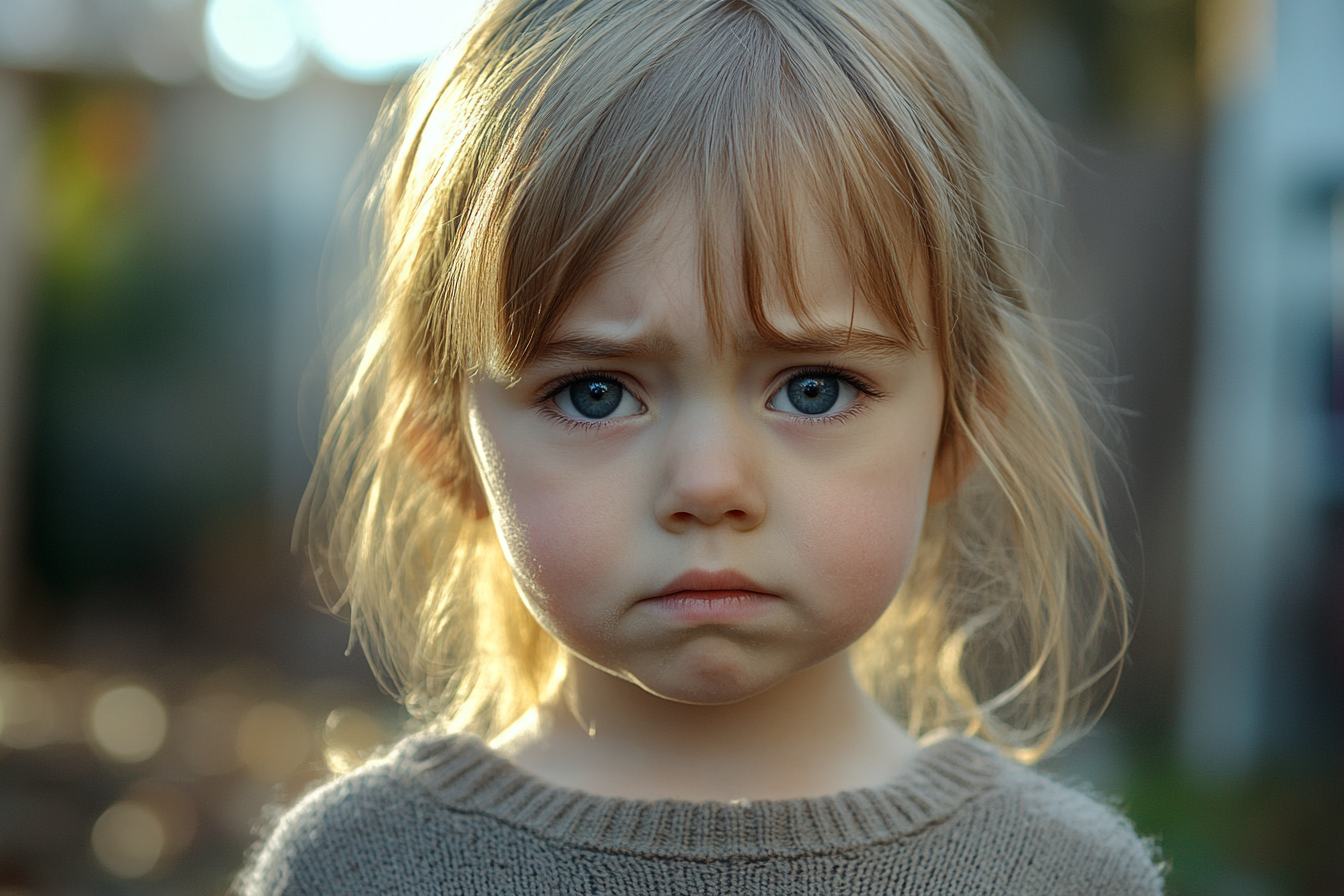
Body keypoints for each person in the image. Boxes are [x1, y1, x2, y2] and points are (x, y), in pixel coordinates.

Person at [238, 0, 1164, 892]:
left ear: (958, 429)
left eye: (814, 387)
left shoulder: (1063, 878)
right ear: (448, 447)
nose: (711, 484)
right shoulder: (355, 870)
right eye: (595, 394)